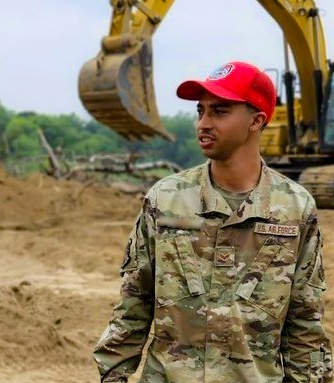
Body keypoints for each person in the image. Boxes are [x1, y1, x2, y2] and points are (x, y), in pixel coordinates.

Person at [93, 61, 333, 382]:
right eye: (200, 111)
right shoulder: (165, 199)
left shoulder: (295, 208)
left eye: (219, 112)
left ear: (257, 121)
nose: (203, 123)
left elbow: (305, 324)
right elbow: (134, 305)